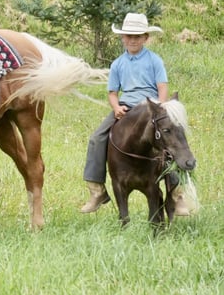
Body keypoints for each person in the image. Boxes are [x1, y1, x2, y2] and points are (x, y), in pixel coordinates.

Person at [80, 12, 189, 215]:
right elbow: (112, 93)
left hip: (152, 108)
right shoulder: (118, 64)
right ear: (122, 38)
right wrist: (116, 108)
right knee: (96, 138)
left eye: (137, 36)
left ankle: (177, 195)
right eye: (128, 36)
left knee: (169, 143)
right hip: (127, 108)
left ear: (146, 38)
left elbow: (162, 87)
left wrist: (161, 108)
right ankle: (96, 190)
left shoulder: (154, 60)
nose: (132, 40)